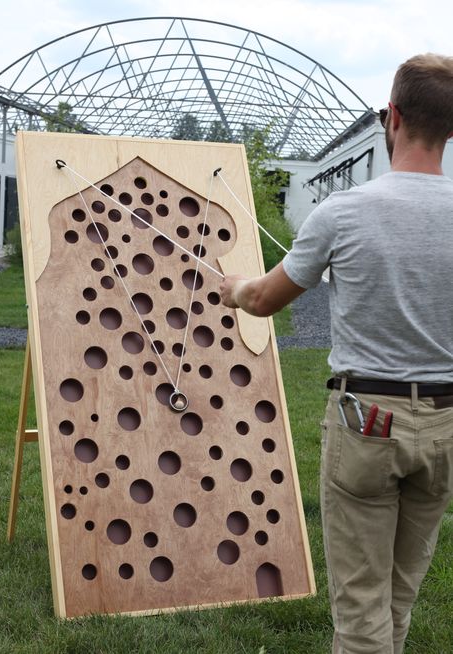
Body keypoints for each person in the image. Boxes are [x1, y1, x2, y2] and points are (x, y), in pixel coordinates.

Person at [220, 53, 453, 654]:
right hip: (447, 427)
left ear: (392, 118)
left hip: (366, 425)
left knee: (360, 609)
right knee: (399, 594)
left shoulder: (342, 211)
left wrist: (233, 287)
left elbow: (265, 300)